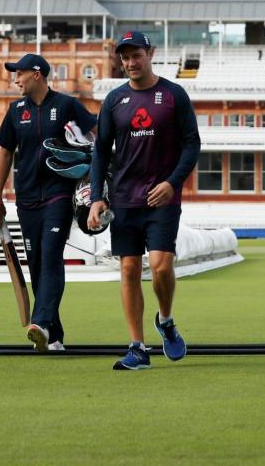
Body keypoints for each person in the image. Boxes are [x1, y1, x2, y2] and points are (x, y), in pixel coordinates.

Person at [88, 31, 201, 370]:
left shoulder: (173, 94)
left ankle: (165, 321)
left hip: (162, 197)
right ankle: (137, 347)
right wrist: (97, 198)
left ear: (150, 53)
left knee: (162, 267)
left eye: (136, 55)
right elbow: (100, 152)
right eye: (124, 57)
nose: (130, 63)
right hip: (124, 199)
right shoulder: (114, 100)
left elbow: (192, 145)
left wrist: (172, 183)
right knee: (128, 268)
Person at [0, 53, 97, 353]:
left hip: (59, 194)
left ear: (37, 74)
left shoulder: (67, 105)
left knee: (50, 255)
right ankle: (54, 335)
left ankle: (40, 321)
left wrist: (96, 180)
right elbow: (5, 153)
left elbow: (98, 137)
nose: (15, 79)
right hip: (26, 199)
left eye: (19, 74)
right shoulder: (16, 110)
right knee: (37, 264)